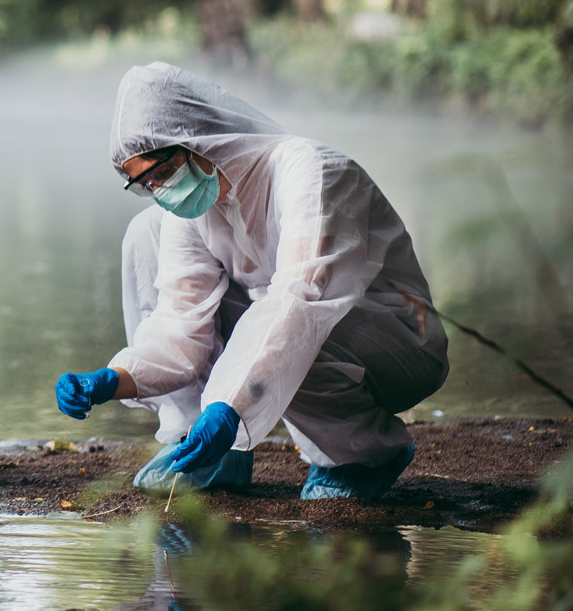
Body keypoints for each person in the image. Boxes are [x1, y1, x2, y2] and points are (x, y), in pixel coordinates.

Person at [54, 62, 448, 500]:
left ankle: (359, 453)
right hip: (298, 335)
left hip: (394, 346)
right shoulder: (197, 210)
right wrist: (114, 377)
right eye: (144, 184)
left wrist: (229, 405)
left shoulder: (313, 174)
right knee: (147, 232)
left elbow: (300, 303)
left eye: (161, 174)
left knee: (292, 322)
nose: (159, 190)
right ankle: (212, 448)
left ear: (195, 139)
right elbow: (182, 324)